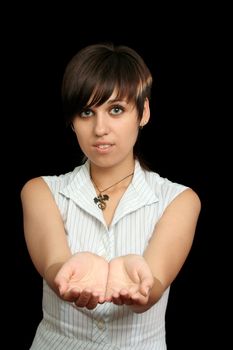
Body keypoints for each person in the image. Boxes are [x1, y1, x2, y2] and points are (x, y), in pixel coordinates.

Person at [21, 42, 201, 349]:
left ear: (143, 113)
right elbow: (54, 264)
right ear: (73, 121)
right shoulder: (41, 192)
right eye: (86, 111)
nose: (100, 128)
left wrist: (142, 284)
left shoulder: (179, 200)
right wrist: (68, 273)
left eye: (116, 109)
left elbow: (153, 287)